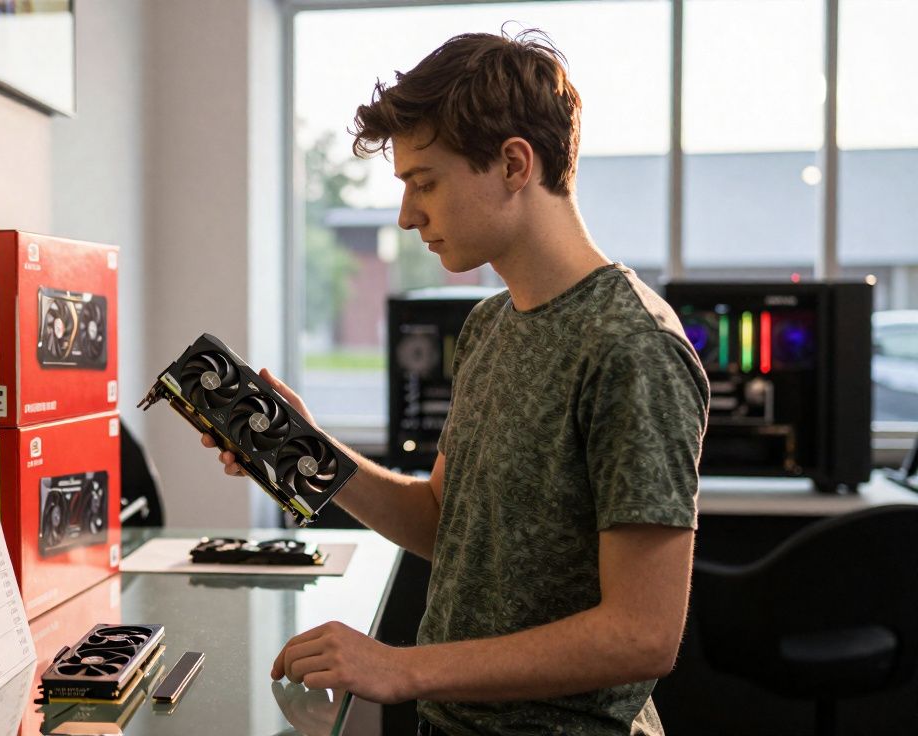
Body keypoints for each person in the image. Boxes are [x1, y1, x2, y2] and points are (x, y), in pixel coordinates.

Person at [202, 29, 709, 735]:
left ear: (512, 163)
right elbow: (447, 522)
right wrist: (308, 449)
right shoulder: (489, 326)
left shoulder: (632, 347)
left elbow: (642, 634)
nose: (408, 216)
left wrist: (405, 668)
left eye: (424, 182)